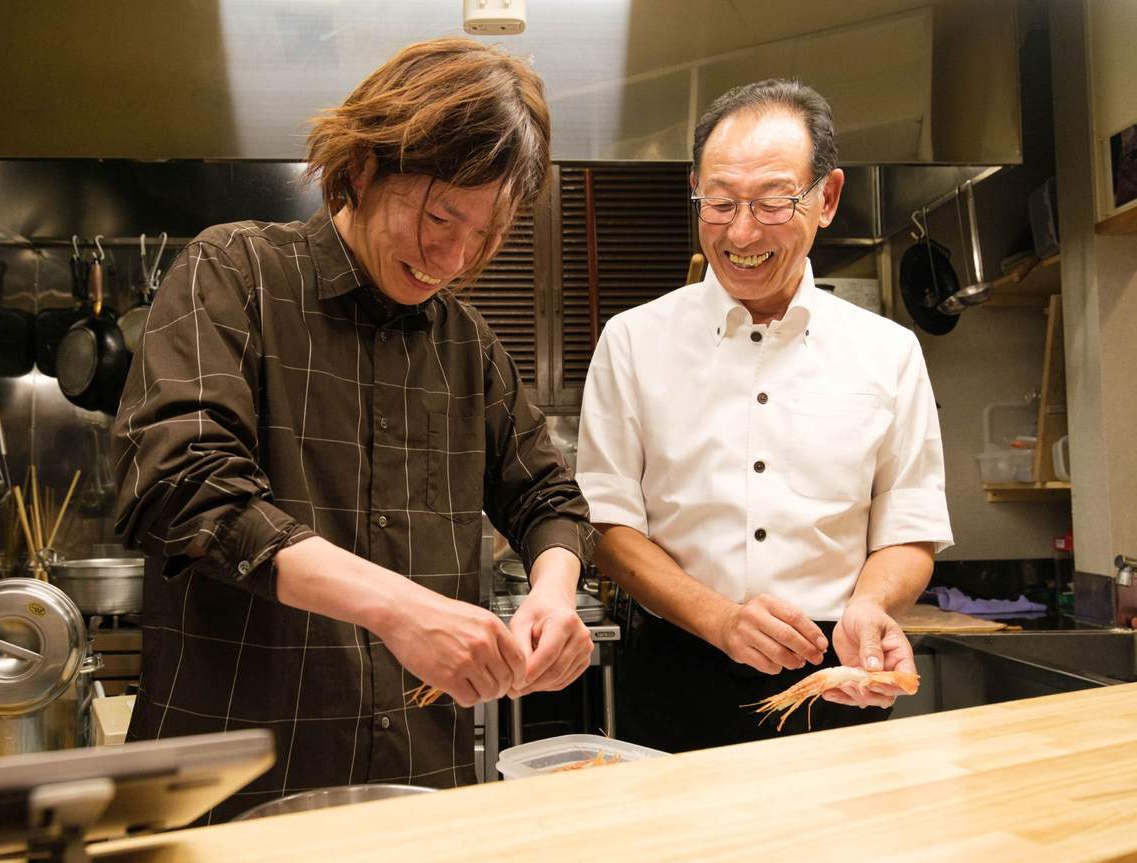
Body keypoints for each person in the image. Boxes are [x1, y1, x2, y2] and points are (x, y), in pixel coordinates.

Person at [113, 37, 596, 821]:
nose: (452, 256)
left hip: (421, 786)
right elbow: (183, 485)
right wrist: (399, 608)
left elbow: (547, 495)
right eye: (439, 216)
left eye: (483, 235)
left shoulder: (466, 344)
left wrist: (553, 590)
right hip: (235, 788)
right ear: (365, 166)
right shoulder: (234, 272)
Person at [576, 79, 953, 754]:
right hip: (673, 669)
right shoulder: (633, 340)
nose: (741, 232)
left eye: (773, 202)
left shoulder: (887, 351)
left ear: (826, 198)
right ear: (695, 190)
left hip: (833, 671)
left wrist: (869, 607)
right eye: (720, 202)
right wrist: (719, 619)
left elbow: (909, 525)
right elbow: (605, 523)